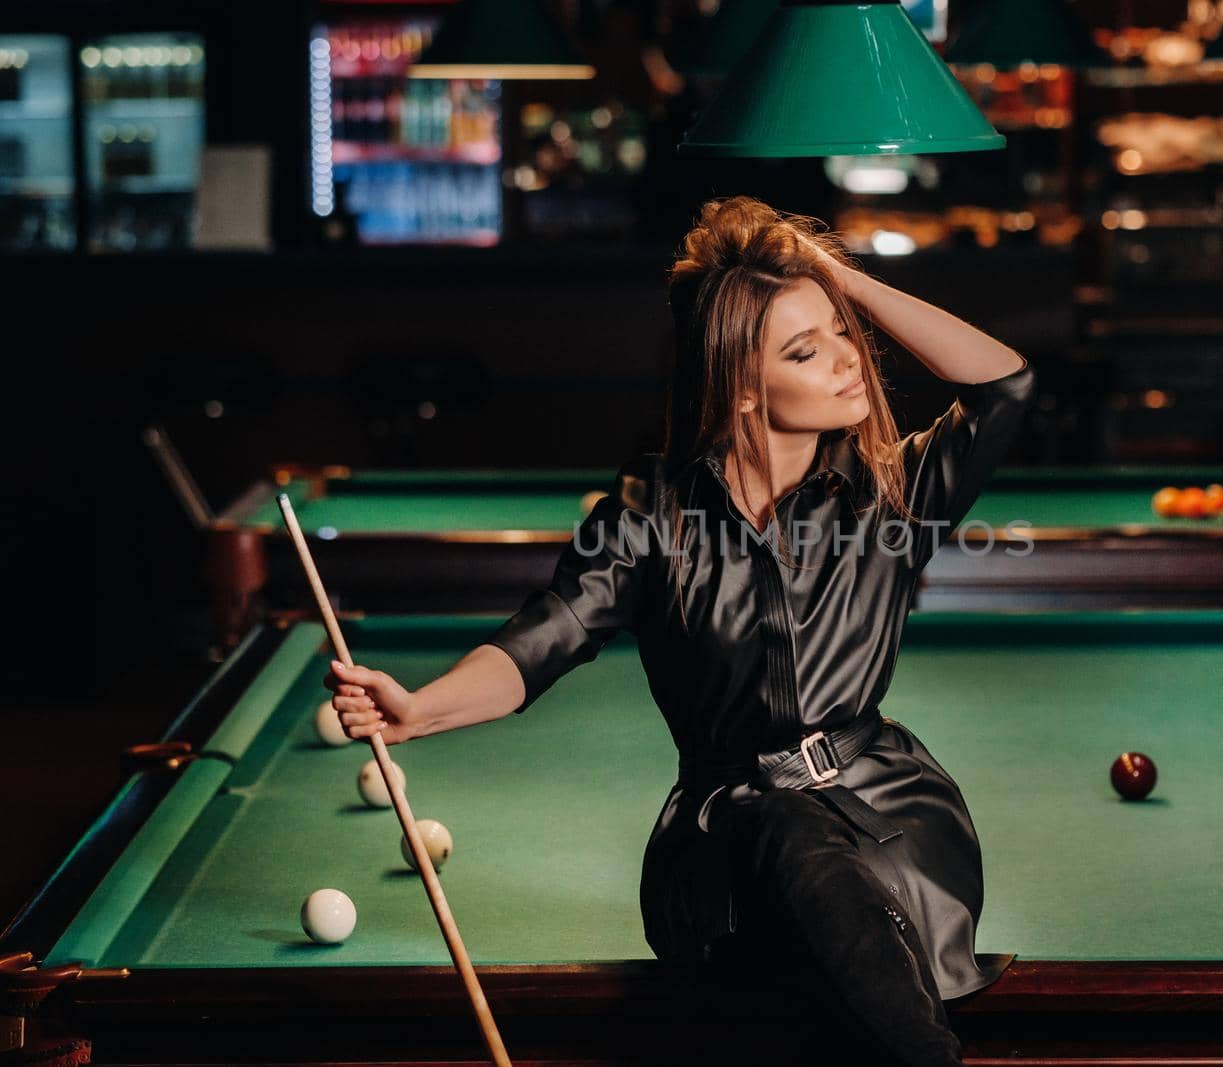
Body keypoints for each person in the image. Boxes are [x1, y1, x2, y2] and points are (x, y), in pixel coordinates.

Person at [325, 196, 1037, 1065]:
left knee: (814, 913)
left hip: (889, 820)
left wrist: (839, 278)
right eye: (805, 350)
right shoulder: (649, 512)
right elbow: (547, 635)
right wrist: (417, 710)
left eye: (843, 332)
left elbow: (1005, 383)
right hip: (724, 840)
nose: (851, 361)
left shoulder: (891, 494)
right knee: (783, 827)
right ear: (741, 387)